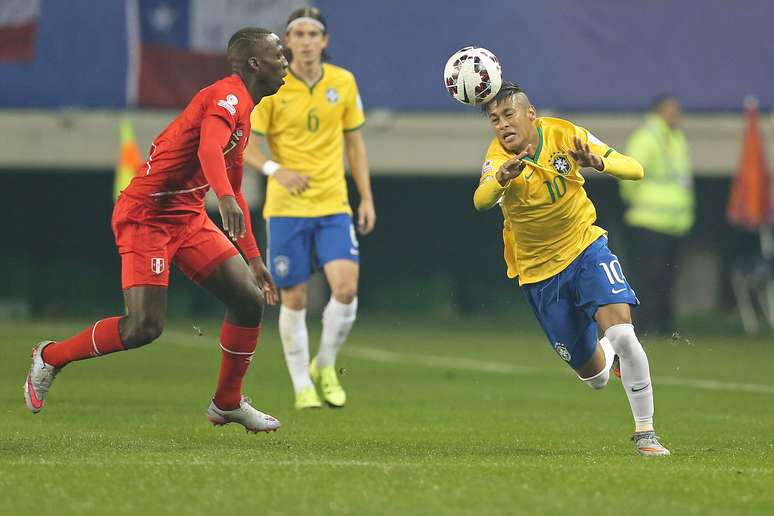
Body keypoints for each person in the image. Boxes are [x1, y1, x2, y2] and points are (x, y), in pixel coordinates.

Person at [23, 27, 285, 434]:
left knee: (250, 300)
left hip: (188, 215)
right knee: (144, 328)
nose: (285, 61)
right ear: (255, 63)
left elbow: (232, 186)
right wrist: (226, 200)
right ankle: (51, 356)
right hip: (148, 214)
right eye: (278, 54)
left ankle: (227, 402)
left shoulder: (244, 114)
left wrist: (253, 257)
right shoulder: (226, 96)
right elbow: (208, 149)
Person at [473, 82, 670, 456]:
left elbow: (635, 168)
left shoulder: (564, 133)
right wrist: (502, 178)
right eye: (495, 119)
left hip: (585, 249)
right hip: (540, 276)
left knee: (625, 335)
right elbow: (481, 200)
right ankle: (607, 356)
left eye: (509, 114)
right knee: (595, 378)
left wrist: (599, 161)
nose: (502, 125)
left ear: (531, 114)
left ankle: (646, 433)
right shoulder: (498, 158)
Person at [244, 7, 375, 410]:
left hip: (333, 202)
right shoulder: (272, 87)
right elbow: (247, 143)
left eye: (311, 33)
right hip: (285, 208)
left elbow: (354, 143)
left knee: (347, 289)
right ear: (287, 42)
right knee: (295, 299)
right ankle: (302, 385)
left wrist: (366, 196)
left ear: (324, 41)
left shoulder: (343, 82)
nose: (304, 40)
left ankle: (325, 365)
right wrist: (274, 169)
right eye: (297, 33)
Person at [620, 95, 694, 334]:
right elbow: (630, 174)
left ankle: (662, 326)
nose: (676, 115)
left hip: (674, 223)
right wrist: (638, 202)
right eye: (672, 110)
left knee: (666, 278)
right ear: (659, 111)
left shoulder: (677, 137)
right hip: (647, 220)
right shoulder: (646, 137)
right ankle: (643, 325)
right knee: (647, 278)